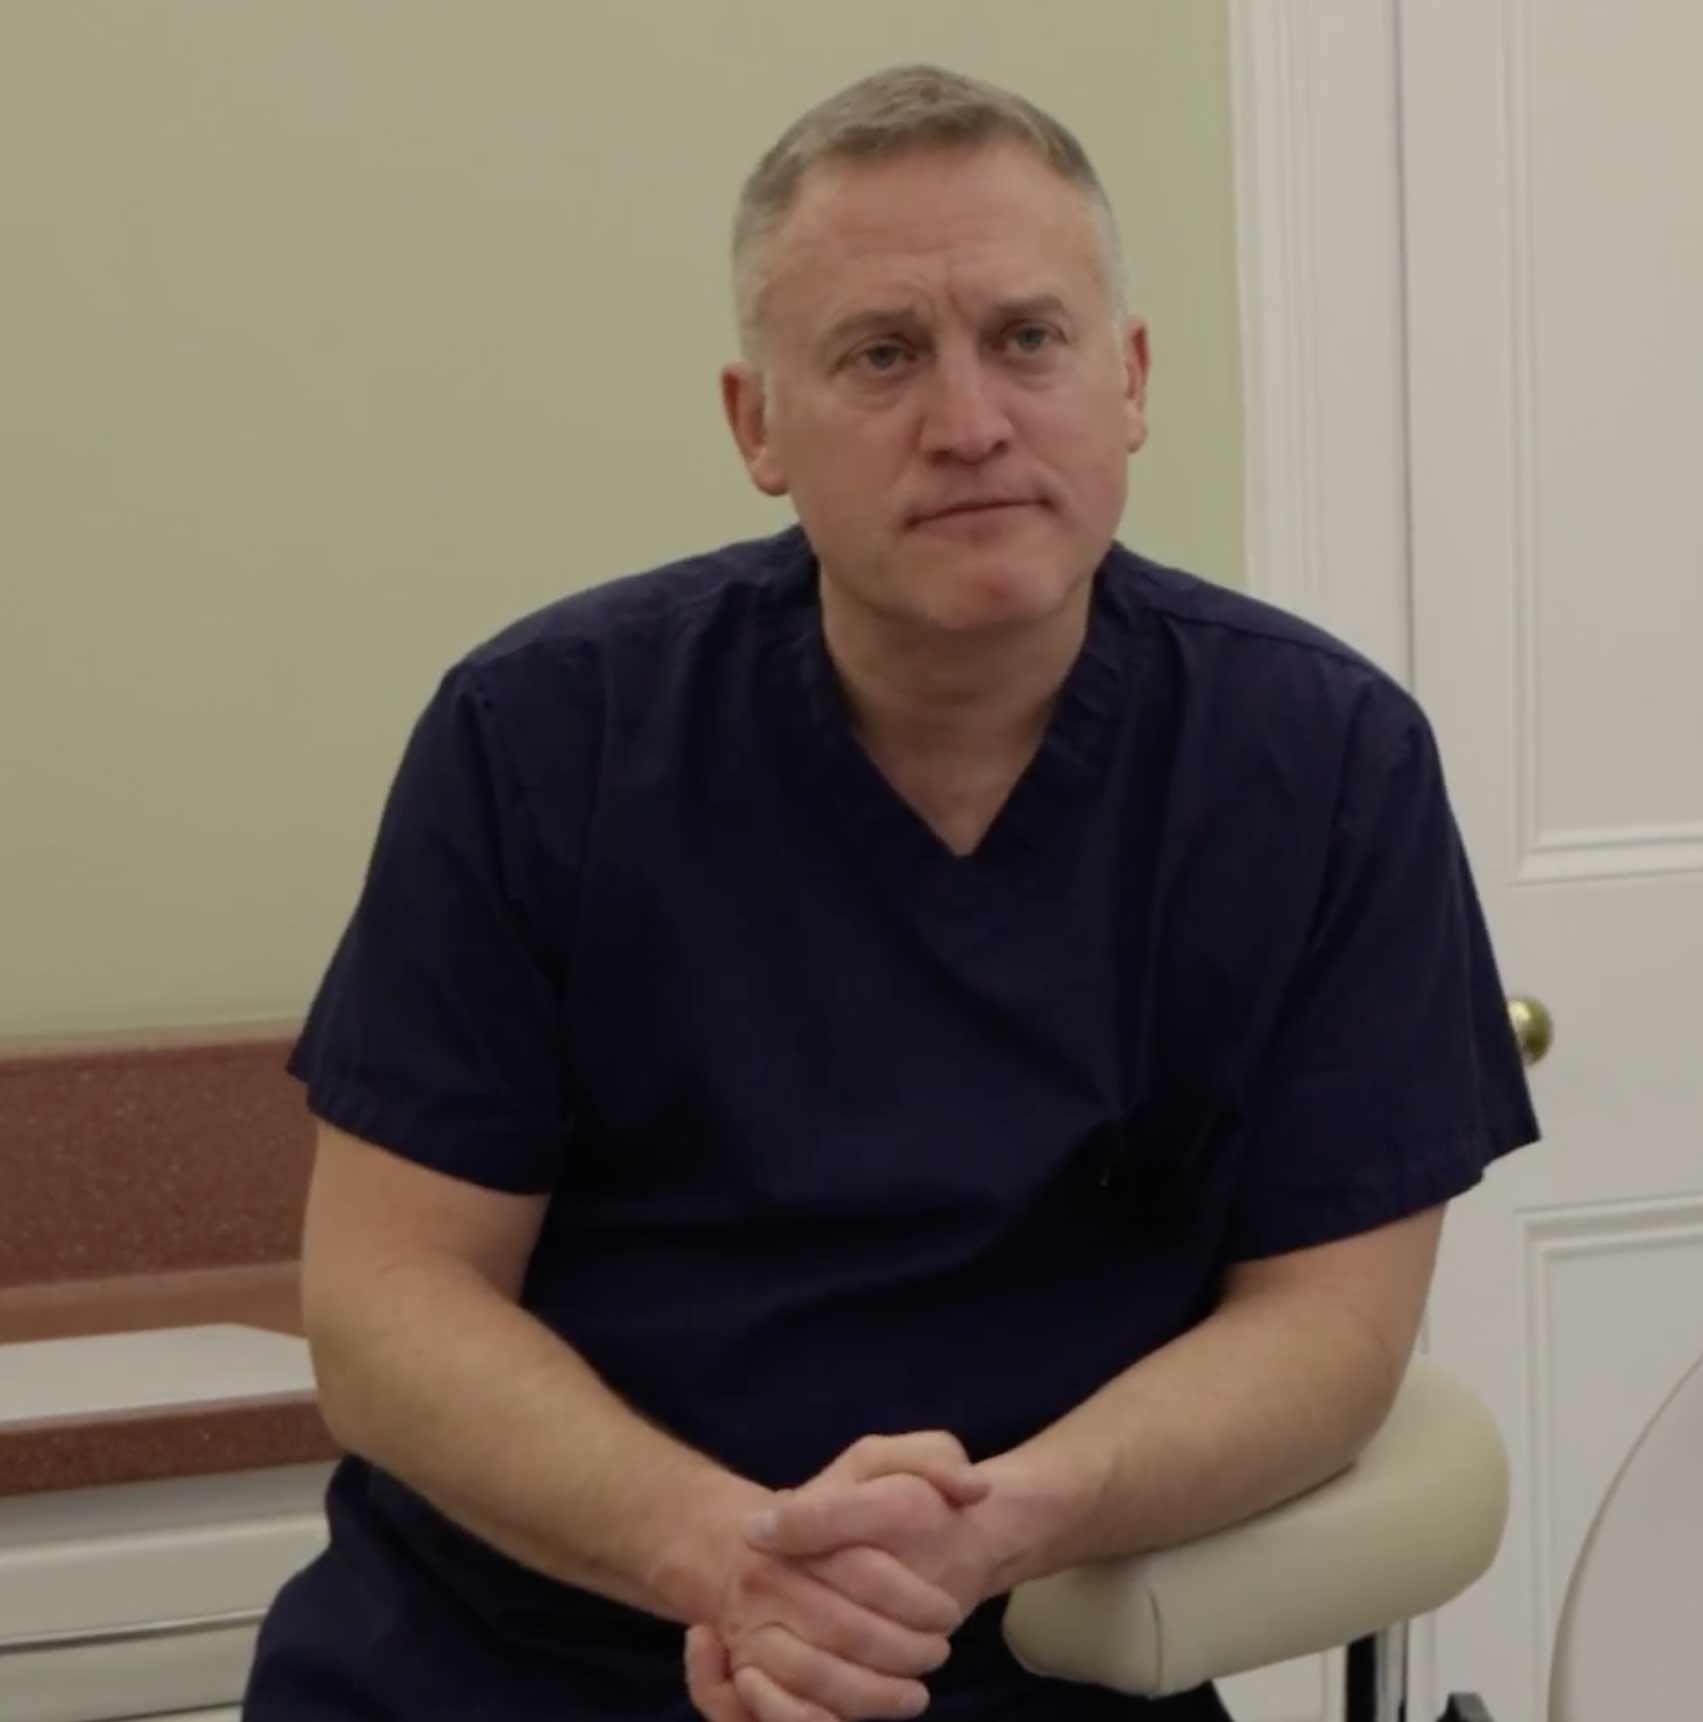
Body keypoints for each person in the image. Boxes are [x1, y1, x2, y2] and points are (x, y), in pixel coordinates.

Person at [244, 63, 1537, 1722]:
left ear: (1128, 379)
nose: (970, 419)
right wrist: (727, 1553)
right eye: (880, 354)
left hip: (1014, 1651)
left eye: (1027, 337)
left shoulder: (1319, 762)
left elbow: (1329, 1330)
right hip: (519, 1657)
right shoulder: (543, 737)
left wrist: (1010, 1521)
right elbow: (386, 1304)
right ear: (753, 425)